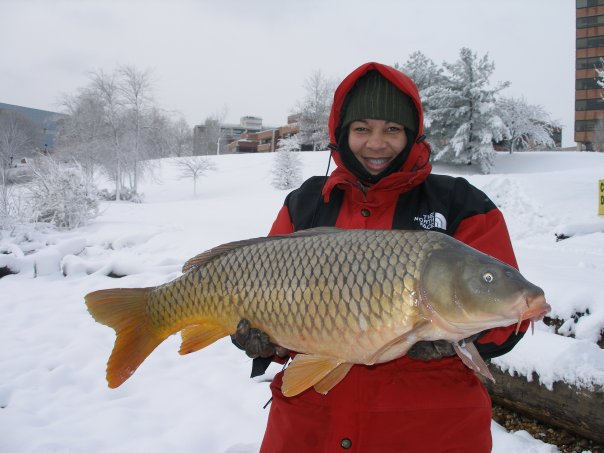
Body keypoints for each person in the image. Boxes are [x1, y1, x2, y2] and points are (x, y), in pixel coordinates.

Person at [233, 62, 529, 452]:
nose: (377, 143)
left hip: (431, 431)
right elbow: (272, 307)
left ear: (412, 134)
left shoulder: (459, 202)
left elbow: (508, 310)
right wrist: (268, 342)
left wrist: (471, 333)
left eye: (392, 129)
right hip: (312, 429)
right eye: (362, 129)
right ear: (341, 134)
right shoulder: (306, 203)